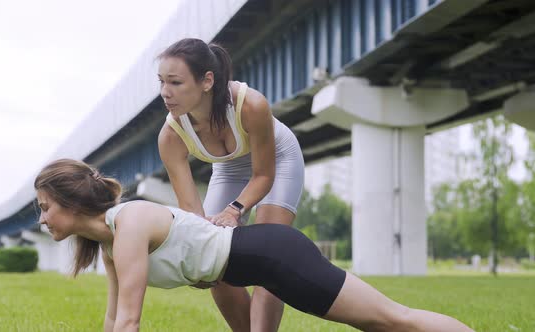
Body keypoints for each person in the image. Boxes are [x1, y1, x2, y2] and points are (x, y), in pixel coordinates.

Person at [34, 159, 474, 332]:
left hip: (272, 255)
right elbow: (113, 319)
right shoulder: (112, 244)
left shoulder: (128, 223)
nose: (41, 219)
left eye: (45, 207)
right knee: (383, 324)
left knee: (392, 320)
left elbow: (130, 322)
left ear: (71, 202)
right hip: (257, 261)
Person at [156, 37, 305, 331]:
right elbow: (192, 211)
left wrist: (234, 210)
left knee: (269, 256)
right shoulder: (170, 136)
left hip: (278, 160)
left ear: (207, 81)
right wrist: (198, 255)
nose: (164, 92)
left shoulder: (251, 105)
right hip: (227, 169)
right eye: (161, 82)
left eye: (175, 82)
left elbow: (263, 175)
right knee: (213, 261)